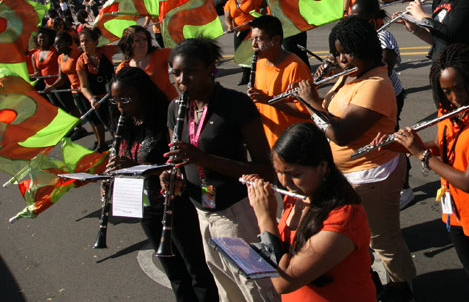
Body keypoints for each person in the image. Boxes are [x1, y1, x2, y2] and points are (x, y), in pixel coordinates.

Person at [381, 43, 469, 302]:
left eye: (460, 88)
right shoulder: (448, 113)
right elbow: (442, 145)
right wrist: (401, 145)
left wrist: (420, 154)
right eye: (447, 91)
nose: (455, 97)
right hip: (454, 211)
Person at [294, 16, 416, 301]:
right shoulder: (351, 76)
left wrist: (311, 101)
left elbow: (341, 133)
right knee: (358, 236)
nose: (340, 59)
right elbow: (329, 113)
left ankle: (402, 287)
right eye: (336, 53)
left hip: (373, 174)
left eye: (345, 53)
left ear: (363, 49)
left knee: (383, 238)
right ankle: (372, 280)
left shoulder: (375, 84)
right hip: (347, 173)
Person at [164, 38, 276, 302]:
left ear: (211, 69)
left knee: (256, 287)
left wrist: (204, 159)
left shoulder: (236, 105)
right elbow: (177, 160)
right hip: (202, 211)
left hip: (236, 212)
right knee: (226, 287)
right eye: (176, 73)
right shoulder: (175, 108)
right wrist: (171, 175)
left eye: (191, 71)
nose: (182, 80)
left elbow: (265, 169)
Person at [109, 67, 219, 302]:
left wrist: (135, 166)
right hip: (147, 204)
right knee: (174, 272)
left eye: (125, 99)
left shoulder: (163, 118)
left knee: (195, 267)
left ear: (141, 93)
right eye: (116, 100)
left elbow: (179, 162)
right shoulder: (124, 123)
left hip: (176, 202)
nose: (120, 105)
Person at [244, 122, 376, 302]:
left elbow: (284, 281)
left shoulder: (344, 217)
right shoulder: (299, 195)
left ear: (322, 167)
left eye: (294, 174)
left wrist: (265, 217)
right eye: (278, 172)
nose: (285, 182)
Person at [350, 0, 414, 210]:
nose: (353, 20)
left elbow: (387, 65)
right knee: (381, 140)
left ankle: (405, 187)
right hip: (371, 96)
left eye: (357, 17)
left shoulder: (382, 36)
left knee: (394, 139)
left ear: (370, 18)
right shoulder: (361, 36)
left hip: (390, 96)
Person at [246, 15, 312, 148]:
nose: (254, 45)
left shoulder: (295, 66)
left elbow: (306, 111)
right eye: (252, 39)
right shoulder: (260, 63)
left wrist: (268, 100)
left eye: (259, 39)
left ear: (275, 40)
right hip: (269, 140)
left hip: (293, 143)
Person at [76, 27, 117, 151]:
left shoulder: (105, 51)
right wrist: (91, 99)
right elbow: (83, 86)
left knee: (121, 121)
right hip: (99, 101)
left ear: (95, 42)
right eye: (82, 41)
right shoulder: (80, 62)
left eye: (87, 41)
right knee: (111, 126)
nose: (84, 44)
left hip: (114, 95)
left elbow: (125, 48)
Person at [224, 0, 268, 85]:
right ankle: (245, 76)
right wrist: (229, 26)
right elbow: (228, 18)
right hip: (239, 32)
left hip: (252, 31)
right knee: (241, 55)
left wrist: (261, 15)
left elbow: (264, 4)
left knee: (256, 53)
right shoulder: (229, 3)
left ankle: (260, 75)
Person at [116, 25, 177, 99]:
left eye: (144, 39)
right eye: (137, 40)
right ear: (129, 43)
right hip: (144, 108)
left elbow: (182, 56)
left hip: (168, 102)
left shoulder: (160, 54)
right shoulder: (123, 68)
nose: (142, 43)